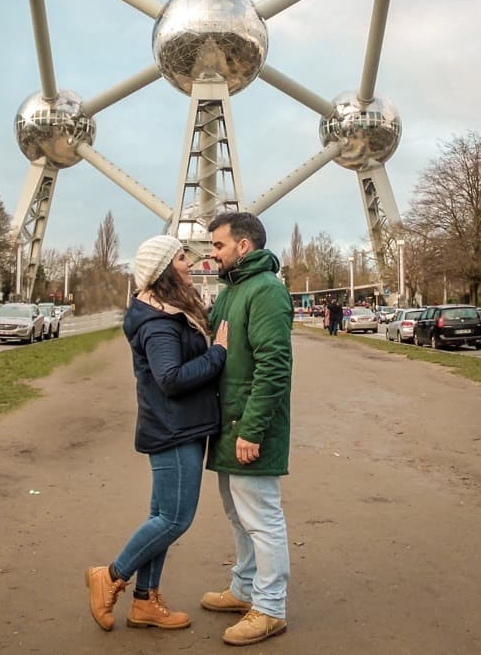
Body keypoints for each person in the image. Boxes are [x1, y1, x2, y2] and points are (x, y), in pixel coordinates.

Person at [85, 234, 228, 633]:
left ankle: (145, 601)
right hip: (173, 428)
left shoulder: (166, 310)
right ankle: (111, 575)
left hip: (178, 424)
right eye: (181, 257)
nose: (189, 263)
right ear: (166, 268)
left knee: (160, 516)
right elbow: (170, 378)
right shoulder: (157, 320)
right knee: (174, 520)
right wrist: (219, 352)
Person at [201, 211, 293, 647]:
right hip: (227, 424)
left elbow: (274, 367)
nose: (211, 254)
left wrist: (252, 431)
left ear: (243, 245)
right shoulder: (232, 291)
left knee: (262, 519)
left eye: (218, 245)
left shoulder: (267, 291)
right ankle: (244, 588)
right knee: (239, 517)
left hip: (248, 427)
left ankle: (270, 608)